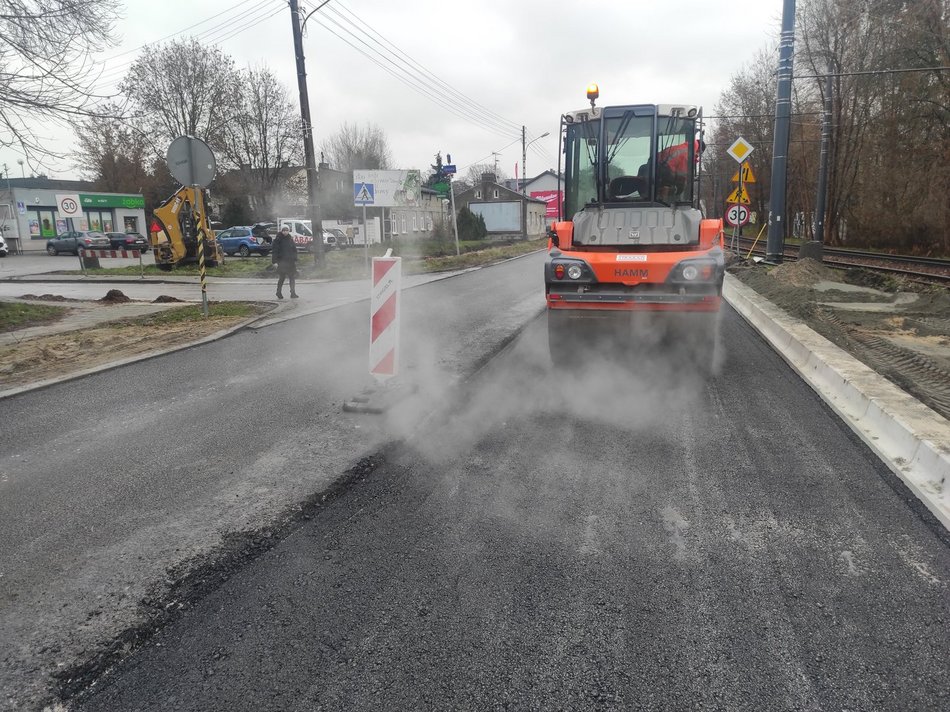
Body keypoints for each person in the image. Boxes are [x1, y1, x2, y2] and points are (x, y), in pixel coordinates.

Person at [271, 226, 298, 299]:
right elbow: (275, 251)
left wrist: (295, 258)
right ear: (281, 231)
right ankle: (278, 292)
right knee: (282, 278)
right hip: (281, 262)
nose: (285, 232)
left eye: (287, 230)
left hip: (290, 262)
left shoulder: (290, 238)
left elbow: (294, 249)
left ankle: (293, 293)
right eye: (284, 230)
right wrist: (274, 262)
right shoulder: (278, 239)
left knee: (292, 278)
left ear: (288, 231)